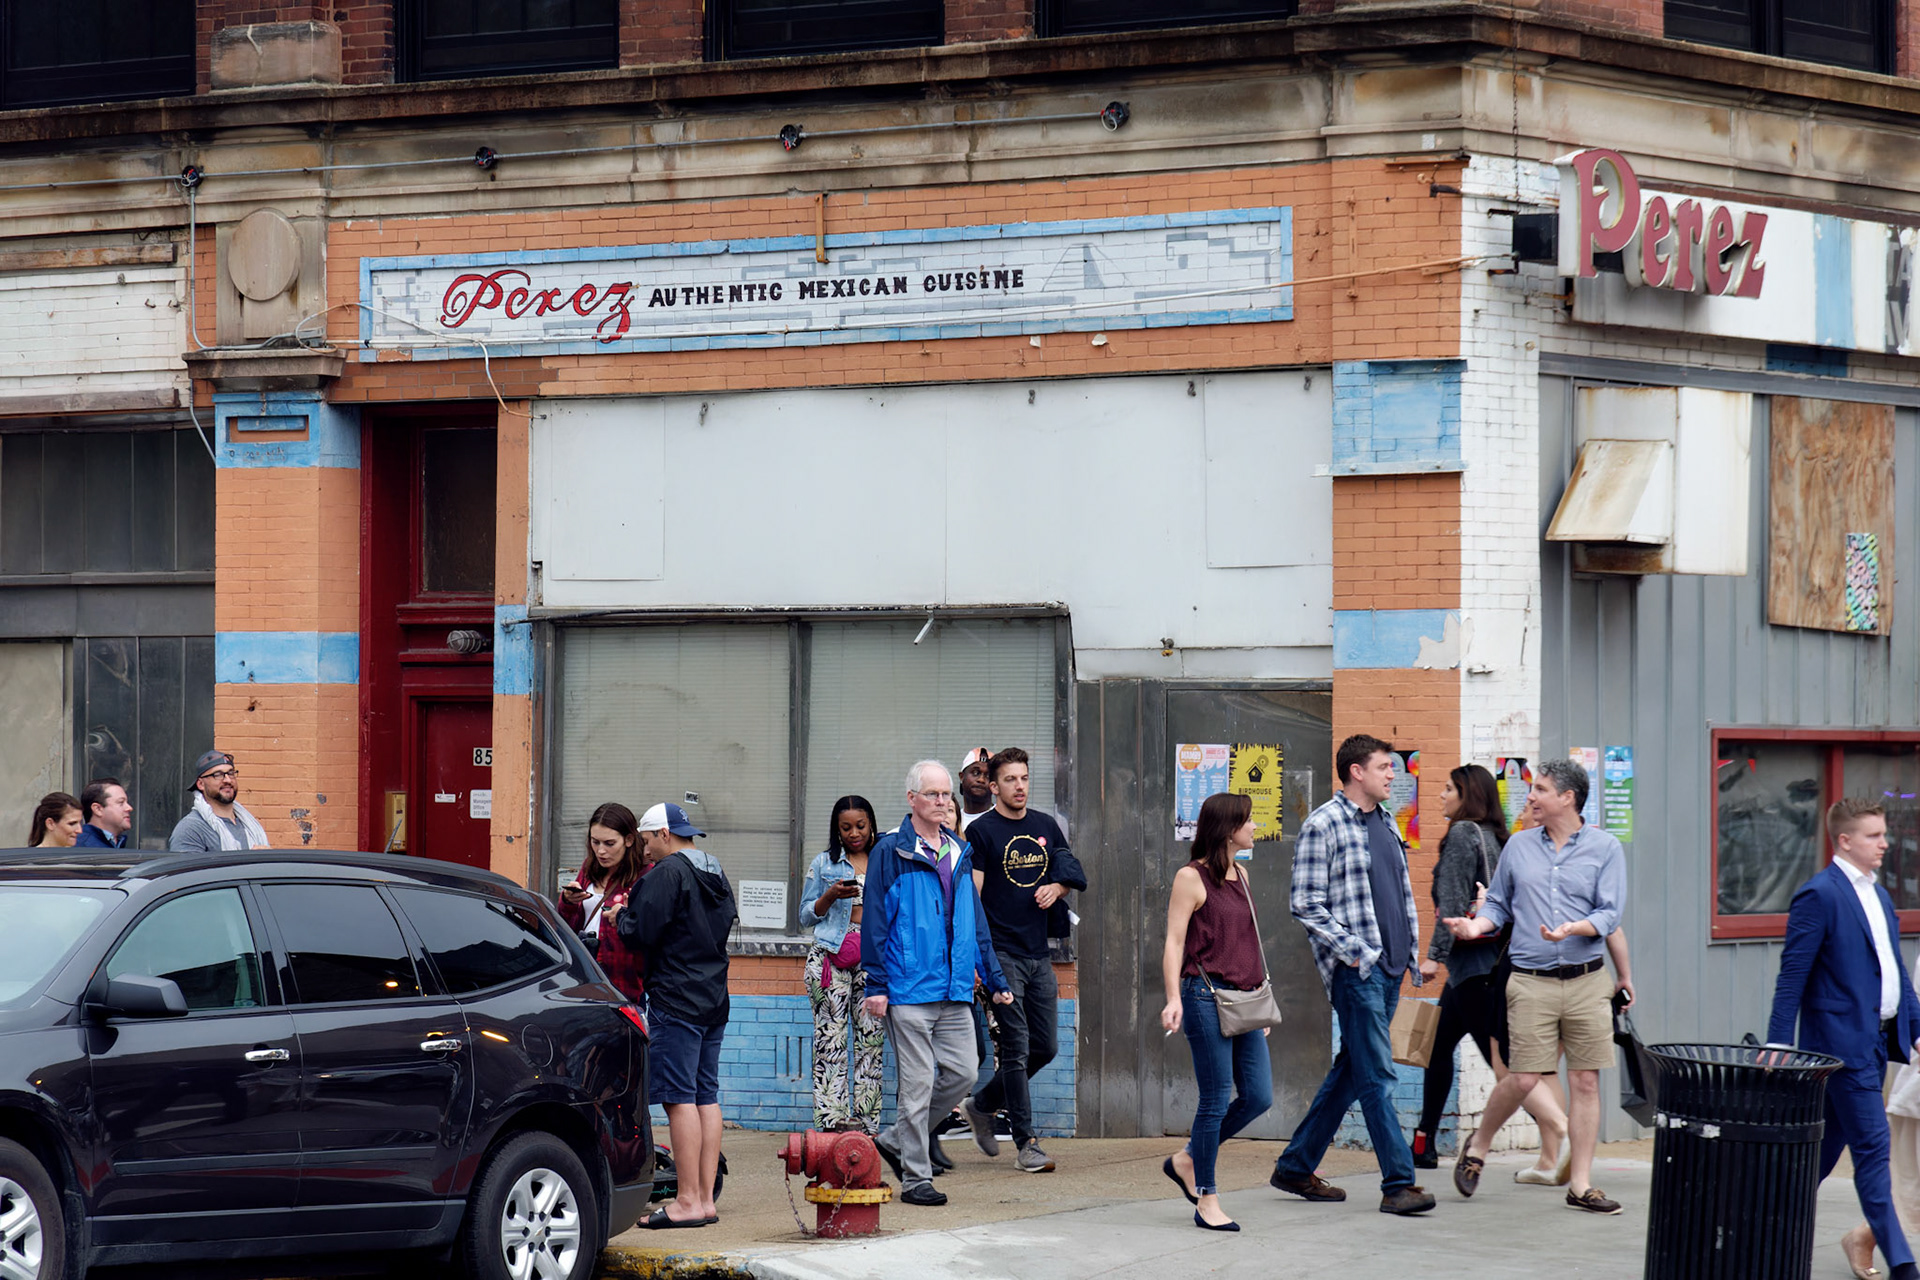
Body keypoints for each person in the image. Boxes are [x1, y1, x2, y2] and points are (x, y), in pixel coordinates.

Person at [1443, 758, 1630, 1215]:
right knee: (1523, 1077)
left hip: (1587, 980)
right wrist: (1474, 926)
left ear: (1568, 798)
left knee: (1586, 1082)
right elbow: (1500, 906)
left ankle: (1581, 1184)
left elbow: (1610, 914)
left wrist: (1574, 929)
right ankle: (1480, 1143)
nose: (1530, 797)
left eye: (1541, 789)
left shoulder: (1605, 848)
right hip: (1529, 981)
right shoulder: (1520, 847)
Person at [1272, 734, 1434, 1215]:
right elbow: (1304, 903)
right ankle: (1398, 1183)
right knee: (1378, 1076)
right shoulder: (1324, 824)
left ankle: (1296, 1166)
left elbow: (1399, 895)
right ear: (1357, 771)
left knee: (1353, 1070)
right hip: (1357, 971)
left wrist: (1411, 955)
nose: (1393, 774)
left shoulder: (1387, 822)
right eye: (1385, 766)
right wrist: (1356, 952)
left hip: (1389, 969)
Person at [1766, 798, 1920, 1280]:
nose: (1885, 843)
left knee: (1822, 1152)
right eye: (1874, 835)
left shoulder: (1878, 894)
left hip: (1876, 1045)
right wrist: (1777, 1041)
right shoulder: (1820, 894)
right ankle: (1904, 1264)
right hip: (1838, 1048)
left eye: (1884, 834)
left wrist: (1916, 1032)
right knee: (1873, 1151)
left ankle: (1762, 1228)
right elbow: (1792, 976)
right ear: (1846, 840)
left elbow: (1895, 973)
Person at [862, 759, 1012, 1207]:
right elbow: (875, 920)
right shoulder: (891, 852)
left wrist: (994, 975)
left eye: (947, 794)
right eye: (933, 794)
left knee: (964, 1072)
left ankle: (893, 1139)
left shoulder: (958, 851)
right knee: (918, 1083)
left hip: (953, 989)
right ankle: (915, 1178)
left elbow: (974, 920)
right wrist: (876, 984)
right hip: (907, 987)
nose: (943, 802)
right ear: (912, 799)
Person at [1412, 764, 1570, 1185]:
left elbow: (1450, 904)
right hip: (1482, 966)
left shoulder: (1464, 836)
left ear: (1468, 796)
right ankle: (1424, 1141)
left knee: (1512, 1073)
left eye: (1448, 789)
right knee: (1437, 1048)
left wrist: (1432, 957)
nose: (1440, 796)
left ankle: (1560, 1131)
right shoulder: (1504, 840)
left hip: (1477, 970)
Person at [608, 802, 736, 1229]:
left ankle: (686, 1200)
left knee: (679, 1099)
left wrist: (620, 916)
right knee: (706, 1096)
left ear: (664, 834)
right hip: (713, 999)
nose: (644, 851)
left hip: (676, 1000)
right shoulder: (714, 870)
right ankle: (704, 1201)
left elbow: (642, 932)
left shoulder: (667, 873)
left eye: (646, 841)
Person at [963, 746, 1086, 1174]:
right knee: (1015, 1048)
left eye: (1024, 778)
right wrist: (978, 958)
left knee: (1046, 1047)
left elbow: (1069, 871)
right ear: (993, 787)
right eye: (1011, 780)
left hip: (1039, 954)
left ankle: (982, 1105)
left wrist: (1058, 888)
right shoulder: (982, 832)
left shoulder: (1045, 826)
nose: (1019, 786)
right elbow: (972, 898)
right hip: (1001, 953)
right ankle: (1026, 1143)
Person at [1161, 792, 1273, 1232]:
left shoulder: (1242, 874)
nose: (1255, 827)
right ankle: (1206, 1197)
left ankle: (1188, 1157)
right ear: (1228, 829)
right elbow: (1173, 942)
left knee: (1259, 1096)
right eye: (1248, 821)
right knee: (1213, 1100)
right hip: (1205, 997)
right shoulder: (1190, 878)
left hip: (1245, 999)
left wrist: (1259, 1003)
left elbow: (1248, 942)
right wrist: (1173, 998)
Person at [799, 795, 886, 1134]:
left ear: (871, 825)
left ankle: (867, 1125)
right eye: (845, 828)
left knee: (871, 1043)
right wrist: (830, 895)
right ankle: (832, 1123)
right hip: (830, 958)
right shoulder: (824, 863)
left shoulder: (884, 861)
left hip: (873, 958)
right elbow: (805, 915)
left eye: (860, 826)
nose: (854, 833)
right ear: (836, 830)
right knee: (830, 1043)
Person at [557, 802, 648, 1004]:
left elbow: (651, 934)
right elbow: (566, 926)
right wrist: (568, 901)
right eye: (595, 842)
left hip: (625, 984)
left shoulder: (646, 875)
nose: (600, 851)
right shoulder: (589, 869)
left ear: (629, 840)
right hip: (583, 977)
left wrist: (627, 918)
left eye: (609, 843)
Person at [168, 751, 269, 851]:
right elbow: (188, 867)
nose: (228, 780)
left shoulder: (249, 824)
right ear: (201, 784)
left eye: (231, 773)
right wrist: (251, 862)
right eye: (218, 775)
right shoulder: (191, 829)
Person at [75, 778, 133, 848]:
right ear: (98, 809)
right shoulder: (81, 846)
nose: (129, 808)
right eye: (121, 802)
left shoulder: (116, 842)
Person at [957, 747, 995, 832]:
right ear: (962, 777)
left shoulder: (1001, 819)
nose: (981, 779)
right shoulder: (952, 821)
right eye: (975, 773)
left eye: (988, 775)